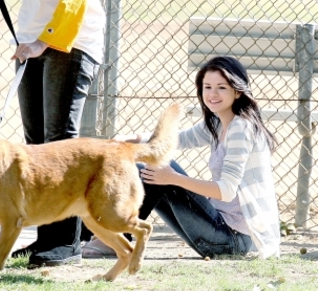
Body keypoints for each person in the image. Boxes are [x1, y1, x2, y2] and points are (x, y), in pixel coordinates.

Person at [82, 56, 281, 260]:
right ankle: (102, 234)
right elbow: (175, 139)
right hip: (217, 231)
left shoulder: (241, 128)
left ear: (237, 91)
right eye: (207, 87)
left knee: (156, 166)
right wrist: (129, 139)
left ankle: (111, 238)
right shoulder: (218, 123)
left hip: (231, 240)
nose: (212, 94)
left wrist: (173, 178)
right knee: (149, 165)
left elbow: (227, 190)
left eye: (222, 87)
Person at [9, 0, 106, 268]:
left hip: (71, 42)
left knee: (60, 145)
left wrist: (44, 42)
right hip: (29, 40)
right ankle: (47, 237)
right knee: (36, 148)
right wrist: (35, 42)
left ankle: (65, 241)